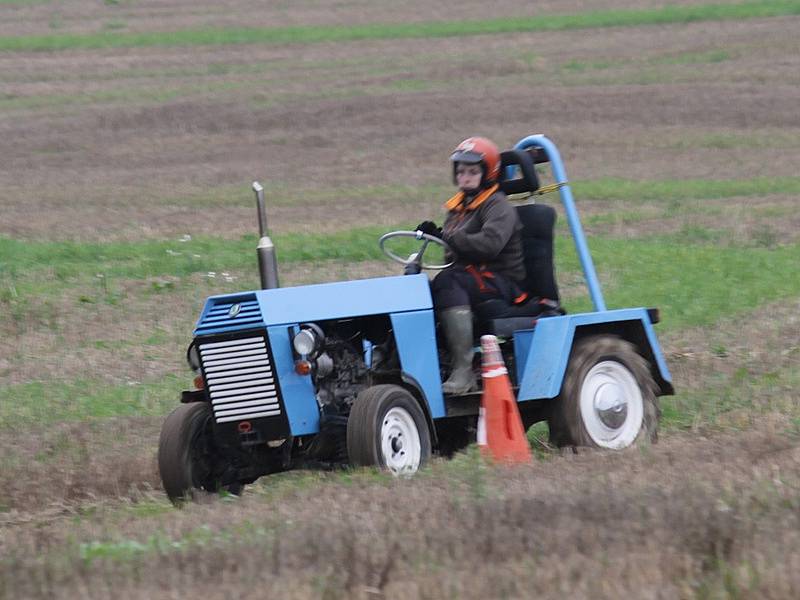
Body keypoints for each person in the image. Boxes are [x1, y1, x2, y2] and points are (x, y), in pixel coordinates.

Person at [416, 137, 526, 394]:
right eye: (461, 171)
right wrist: (436, 236)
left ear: (488, 174)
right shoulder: (458, 208)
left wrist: (447, 237)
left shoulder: (498, 206)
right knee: (419, 290)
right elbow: (451, 251)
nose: (465, 177)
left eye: (473, 171)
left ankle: (464, 371)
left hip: (502, 281)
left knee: (447, 282)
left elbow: (489, 245)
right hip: (471, 278)